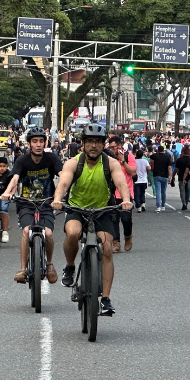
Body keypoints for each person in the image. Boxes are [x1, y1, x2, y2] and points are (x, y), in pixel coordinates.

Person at [52, 123, 133, 316]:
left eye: (98, 142)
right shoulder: (73, 162)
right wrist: (57, 200)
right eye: (90, 142)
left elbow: (121, 182)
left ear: (103, 144)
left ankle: (105, 299)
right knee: (72, 233)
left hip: (102, 210)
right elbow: (63, 183)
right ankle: (70, 267)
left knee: (106, 248)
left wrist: (127, 201)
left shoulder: (110, 163)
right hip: (76, 208)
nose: (94, 146)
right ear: (83, 144)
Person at [1, 127, 63, 284]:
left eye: (41, 141)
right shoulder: (22, 160)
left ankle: (49, 265)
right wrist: (7, 193)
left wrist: (59, 197)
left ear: (45, 143)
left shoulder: (51, 158)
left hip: (48, 203)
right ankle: (23, 269)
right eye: (35, 141)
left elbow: (63, 177)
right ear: (29, 144)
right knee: (26, 232)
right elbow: (15, 179)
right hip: (26, 203)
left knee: (48, 233)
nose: (38, 144)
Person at [106, 136, 137, 252]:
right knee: (113, 219)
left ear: (119, 146)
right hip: (112, 194)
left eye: (113, 147)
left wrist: (123, 162)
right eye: (110, 147)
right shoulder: (107, 158)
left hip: (126, 194)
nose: (111, 150)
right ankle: (116, 243)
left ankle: (128, 236)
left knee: (126, 219)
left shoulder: (128, 156)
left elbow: (133, 172)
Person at [150, 145, 172, 212]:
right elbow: (169, 167)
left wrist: (154, 151)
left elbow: (150, 156)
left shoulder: (155, 156)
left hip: (156, 175)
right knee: (163, 191)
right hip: (165, 175)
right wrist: (170, 176)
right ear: (164, 150)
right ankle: (163, 205)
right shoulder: (167, 156)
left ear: (158, 150)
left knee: (158, 191)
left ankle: (158, 206)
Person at [172, 145, 190, 210]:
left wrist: (173, 176)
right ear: (189, 152)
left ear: (183, 152)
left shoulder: (179, 160)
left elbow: (176, 169)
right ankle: (186, 202)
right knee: (187, 191)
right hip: (189, 178)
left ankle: (183, 203)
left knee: (182, 190)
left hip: (181, 177)